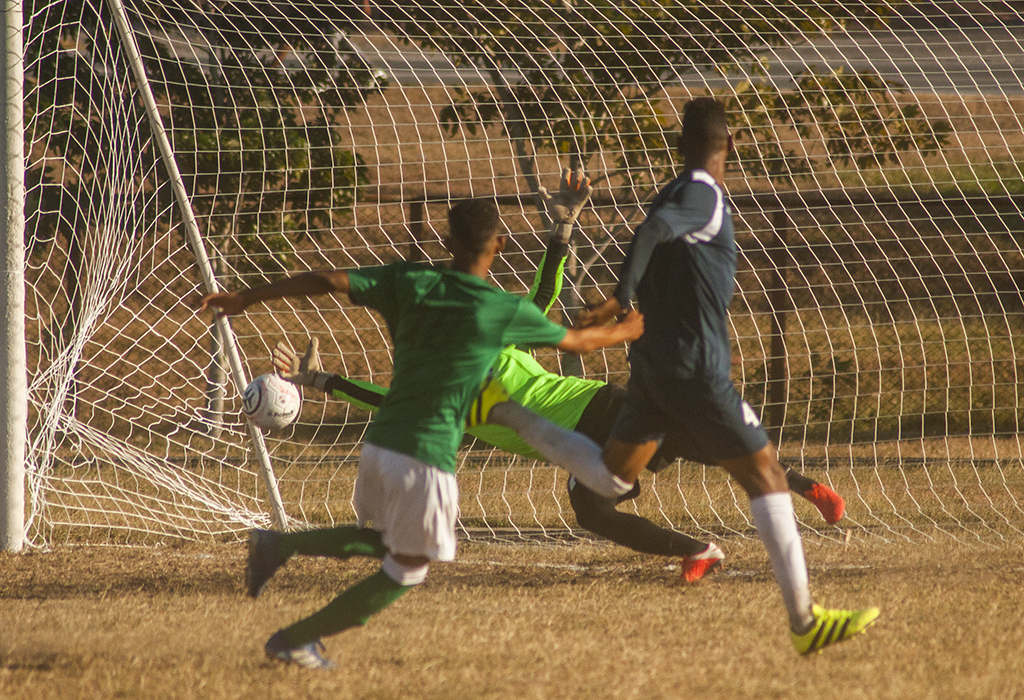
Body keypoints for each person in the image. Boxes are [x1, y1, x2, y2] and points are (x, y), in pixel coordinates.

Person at [490, 98, 879, 654]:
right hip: (696, 369)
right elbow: (653, 232)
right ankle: (805, 623)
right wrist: (623, 296)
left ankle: (519, 421)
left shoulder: (671, 190)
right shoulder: (703, 194)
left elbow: (650, 233)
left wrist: (625, 295)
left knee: (605, 484)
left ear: (678, 146)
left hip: (649, 372)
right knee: (763, 474)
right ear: (734, 146)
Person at [195, 186, 643, 669]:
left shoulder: (407, 281)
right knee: (408, 569)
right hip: (425, 456)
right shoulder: (499, 311)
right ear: (500, 246)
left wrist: (246, 296)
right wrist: (626, 329)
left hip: (380, 445)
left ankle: (279, 546)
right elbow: (577, 342)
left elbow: (327, 279)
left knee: (393, 545)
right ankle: (295, 634)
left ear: (447, 243)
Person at [272, 213, 845, 582]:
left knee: (671, 464)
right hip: (589, 420)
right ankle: (750, 523)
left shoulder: (469, 343)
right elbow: (387, 400)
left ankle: (742, 526)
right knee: (696, 451)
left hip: (595, 411)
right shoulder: (450, 363)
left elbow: (542, 294)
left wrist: (562, 234)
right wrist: (321, 382)